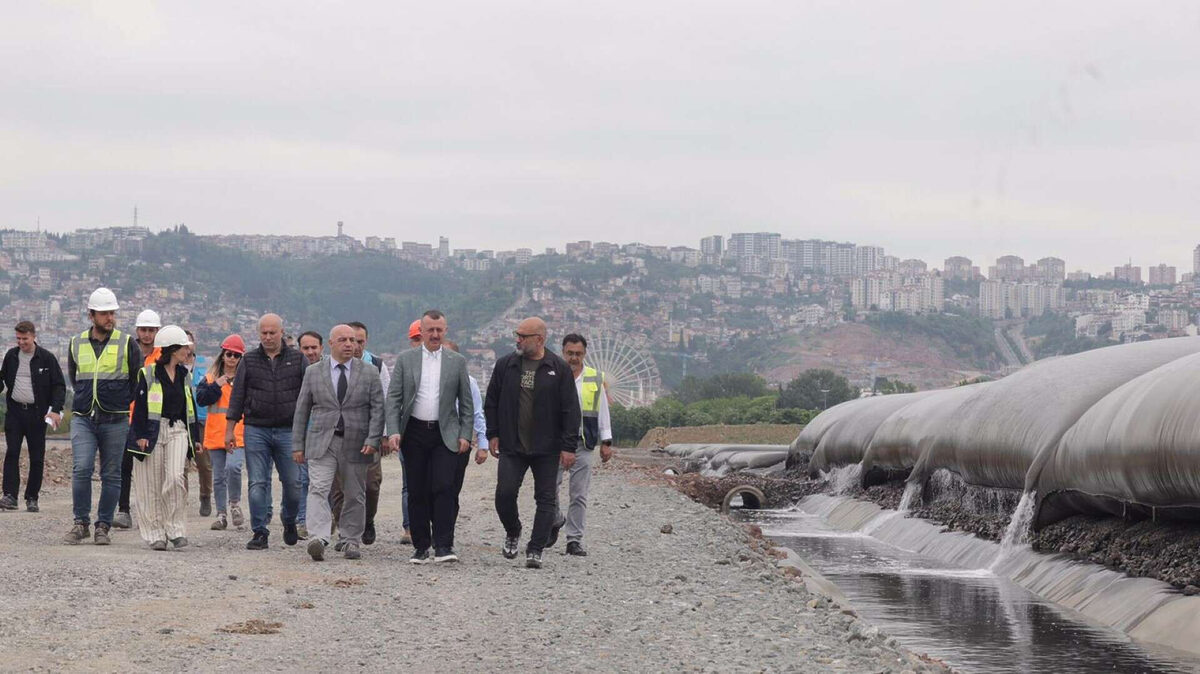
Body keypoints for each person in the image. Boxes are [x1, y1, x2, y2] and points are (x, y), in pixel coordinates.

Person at [483, 317, 580, 569]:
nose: (517, 339)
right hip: (512, 446)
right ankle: (513, 530)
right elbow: (491, 401)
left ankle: (535, 548)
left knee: (546, 498)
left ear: (539, 339)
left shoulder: (558, 369)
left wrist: (568, 447)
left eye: (523, 336)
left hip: (547, 448)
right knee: (504, 494)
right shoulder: (506, 365)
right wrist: (492, 433)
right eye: (517, 334)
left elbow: (571, 410)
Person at [387, 310, 474, 563]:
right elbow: (393, 399)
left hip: (445, 433)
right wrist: (393, 430)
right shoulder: (406, 360)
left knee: (444, 487)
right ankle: (421, 546)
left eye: (439, 330)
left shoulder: (457, 361)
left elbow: (466, 403)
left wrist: (465, 434)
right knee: (416, 490)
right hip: (413, 432)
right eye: (430, 330)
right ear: (422, 332)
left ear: (445, 331)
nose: (435, 334)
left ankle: (444, 546)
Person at [293, 325, 384, 561]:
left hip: (357, 441)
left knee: (355, 492)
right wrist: (297, 445)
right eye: (343, 340)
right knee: (318, 488)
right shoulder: (314, 372)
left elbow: (377, 408)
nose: (349, 345)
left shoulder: (370, 372)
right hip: (322, 440)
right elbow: (302, 410)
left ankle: (350, 539)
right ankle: (318, 537)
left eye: (353, 340)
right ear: (330, 344)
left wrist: (374, 438)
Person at [64, 287, 141, 545]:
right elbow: (75, 378)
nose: (110, 317)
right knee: (82, 468)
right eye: (104, 313)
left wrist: (118, 401)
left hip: (116, 418)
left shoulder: (127, 343)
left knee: (112, 473)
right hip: (84, 416)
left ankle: (103, 525)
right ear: (91, 315)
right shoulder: (76, 343)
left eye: (112, 313)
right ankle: (81, 522)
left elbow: (135, 381)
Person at [226, 313, 305, 550]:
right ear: (258, 334)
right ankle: (259, 531)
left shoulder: (299, 360)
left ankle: (289, 520)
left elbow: (308, 396)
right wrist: (230, 430)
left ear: (282, 332)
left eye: (272, 332)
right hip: (256, 429)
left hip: (289, 430)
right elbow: (237, 397)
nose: (268, 337)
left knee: (294, 483)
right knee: (257, 482)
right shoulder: (248, 361)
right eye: (264, 333)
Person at [128, 326, 201, 550]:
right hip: (152, 431)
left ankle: (175, 528)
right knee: (150, 484)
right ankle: (155, 533)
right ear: (172, 349)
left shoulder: (184, 375)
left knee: (175, 477)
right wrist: (140, 434)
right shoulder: (148, 374)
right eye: (183, 348)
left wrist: (195, 437)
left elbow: (191, 408)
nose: (187, 351)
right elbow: (139, 407)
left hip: (177, 430)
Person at [552, 334, 615, 556]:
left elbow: (602, 412)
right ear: (563, 352)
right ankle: (554, 519)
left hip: (584, 442)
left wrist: (606, 442)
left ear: (584, 354)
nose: (574, 358)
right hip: (555, 443)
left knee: (578, 494)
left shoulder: (595, 379)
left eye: (578, 354)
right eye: (570, 353)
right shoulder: (553, 376)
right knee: (549, 489)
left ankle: (574, 539)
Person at [330, 321, 390, 546]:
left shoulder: (376, 365)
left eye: (358, 341)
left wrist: (383, 435)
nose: (353, 345)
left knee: (371, 483)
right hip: (339, 436)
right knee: (339, 488)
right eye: (348, 340)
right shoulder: (331, 366)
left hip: (368, 435)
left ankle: (368, 519)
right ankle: (346, 531)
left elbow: (384, 401)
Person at [0, 321, 65, 512]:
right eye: (18, 339)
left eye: (25, 339)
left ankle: (32, 497)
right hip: (15, 412)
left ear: (33, 337)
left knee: (37, 456)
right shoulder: (11, 356)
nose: (21, 343)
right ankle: (10, 495)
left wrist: (55, 409)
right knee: (12, 453)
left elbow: (59, 386)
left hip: (37, 414)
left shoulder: (46, 358)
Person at [114, 308, 162, 529]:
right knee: (124, 465)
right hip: (127, 416)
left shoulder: (163, 356)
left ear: (157, 331)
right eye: (143, 329)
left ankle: (153, 511)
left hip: (153, 419)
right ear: (137, 330)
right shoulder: (127, 352)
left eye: (151, 330)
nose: (147, 334)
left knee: (152, 468)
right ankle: (123, 509)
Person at [196, 334, 247, 530]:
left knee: (233, 468)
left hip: (237, 434)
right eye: (229, 354)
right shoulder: (210, 378)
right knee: (218, 476)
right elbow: (201, 399)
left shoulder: (245, 380)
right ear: (223, 355)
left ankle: (234, 504)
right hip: (216, 434)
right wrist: (217, 385)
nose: (232, 358)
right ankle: (221, 514)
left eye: (236, 355)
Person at [445, 340, 487, 521]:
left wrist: (483, 444)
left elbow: (477, 413)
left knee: (452, 489)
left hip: (459, 443)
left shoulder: (469, 382)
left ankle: (446, 534)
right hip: (431, 439)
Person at [294, 330, 324, 538]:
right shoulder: (294, 370)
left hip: (325, 431)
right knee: (304, 478)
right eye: (306, 348)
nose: (310, 352)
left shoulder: (329, 370)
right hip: (304, 430)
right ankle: (303, 520)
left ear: (322, 348)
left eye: (314, 347)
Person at [184, 328, 214, 517]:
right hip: (181, 419)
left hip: (203, 418)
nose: (187, 346)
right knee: (180, 464)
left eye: (189, 341)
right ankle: (181, 499)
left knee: (204, 463)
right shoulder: (173, 365)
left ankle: (205, 495)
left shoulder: (207, 363)